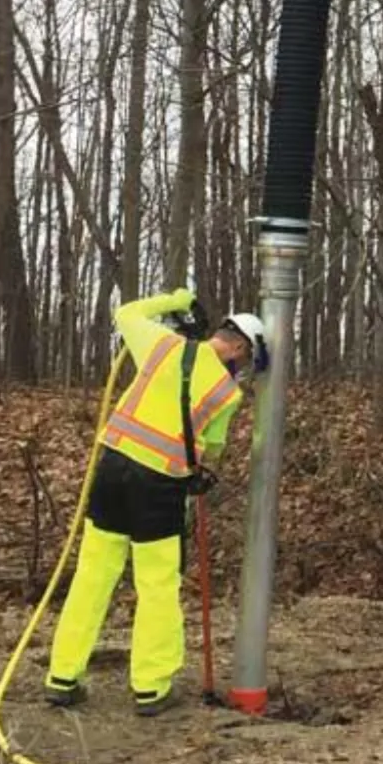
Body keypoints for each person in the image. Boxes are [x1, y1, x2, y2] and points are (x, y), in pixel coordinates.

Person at [44, 286, 267, 716]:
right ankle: (151, 687)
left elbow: (126, 312)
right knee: (157, 585)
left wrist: (176, 299)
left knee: (92, 576)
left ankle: (62, 677)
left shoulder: (163, 345)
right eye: (244, 362)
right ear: (237, 347)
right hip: (160, 487)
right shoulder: (228, 395)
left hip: (111, 471)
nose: (241, 370)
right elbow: (210, 450)